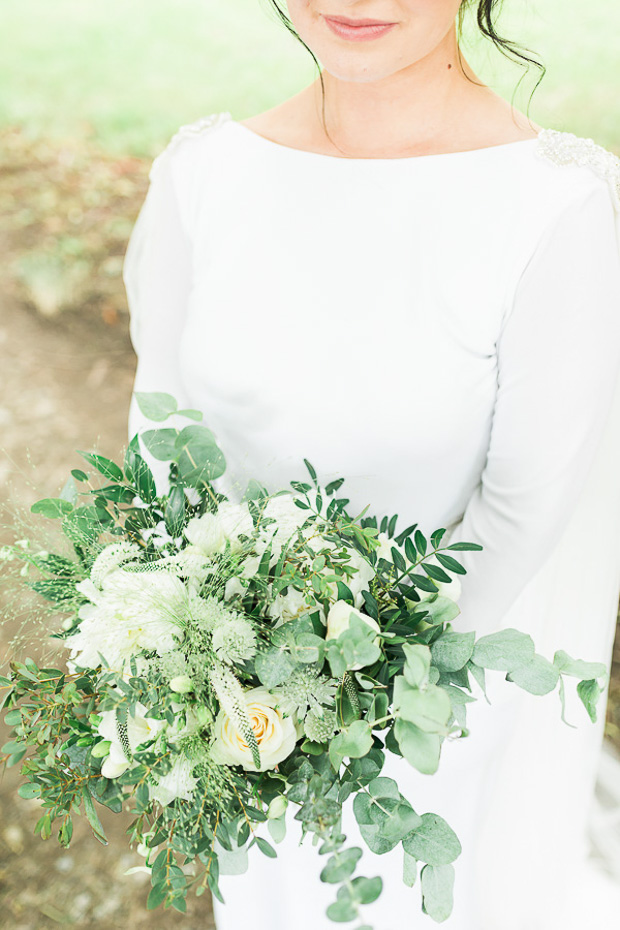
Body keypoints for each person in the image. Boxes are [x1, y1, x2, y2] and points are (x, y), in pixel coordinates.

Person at [123, 1, 620, 927]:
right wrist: (201, 673)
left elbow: (518, 517)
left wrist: (330, 706)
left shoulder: (557, 208)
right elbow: (159, 443)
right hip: (239, 711)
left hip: (445, 711)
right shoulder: (202, 175)